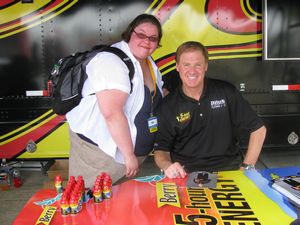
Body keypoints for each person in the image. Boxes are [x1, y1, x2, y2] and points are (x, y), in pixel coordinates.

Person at [66, 14, 164, 188]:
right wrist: (128, 155)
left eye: (153, 38)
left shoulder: (148, 62)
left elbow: (153, 94)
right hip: (101, 156)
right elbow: (112, 113)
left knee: (118, 208)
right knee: (91, 203)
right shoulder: (111, 61)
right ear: (129, 33)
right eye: (141, 35)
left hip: (127, 160)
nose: (146, 41)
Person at [153, 41, 267, 179]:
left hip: (229, 170)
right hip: (187, 174)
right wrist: (167, 166)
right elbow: (161, 150)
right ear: (177, 67)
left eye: (198, 64)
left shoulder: (225, 92)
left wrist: (247, 168)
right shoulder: (168, 106)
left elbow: (258, 129)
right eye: (186, 65)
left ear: (206, 66)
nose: (192, 71)